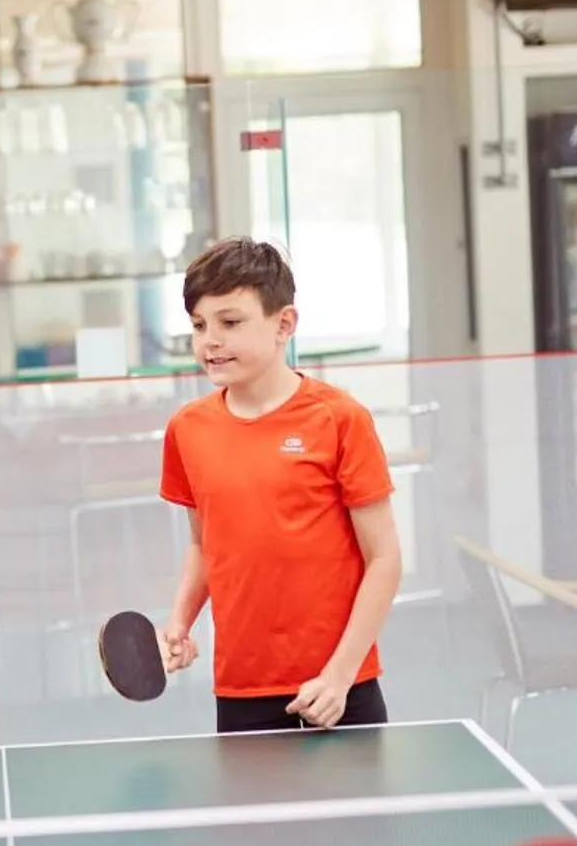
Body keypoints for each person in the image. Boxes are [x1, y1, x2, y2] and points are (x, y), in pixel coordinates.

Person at [157, 237, 404, 733]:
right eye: (199, 326)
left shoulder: (340, 418)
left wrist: (339, 677)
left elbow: (385, 559)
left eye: (230, 323)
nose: (210, 341)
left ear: (284, 324)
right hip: (241, 689)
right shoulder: (187, 430)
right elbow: (204, 544)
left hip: (339, 690)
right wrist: (179, 621)